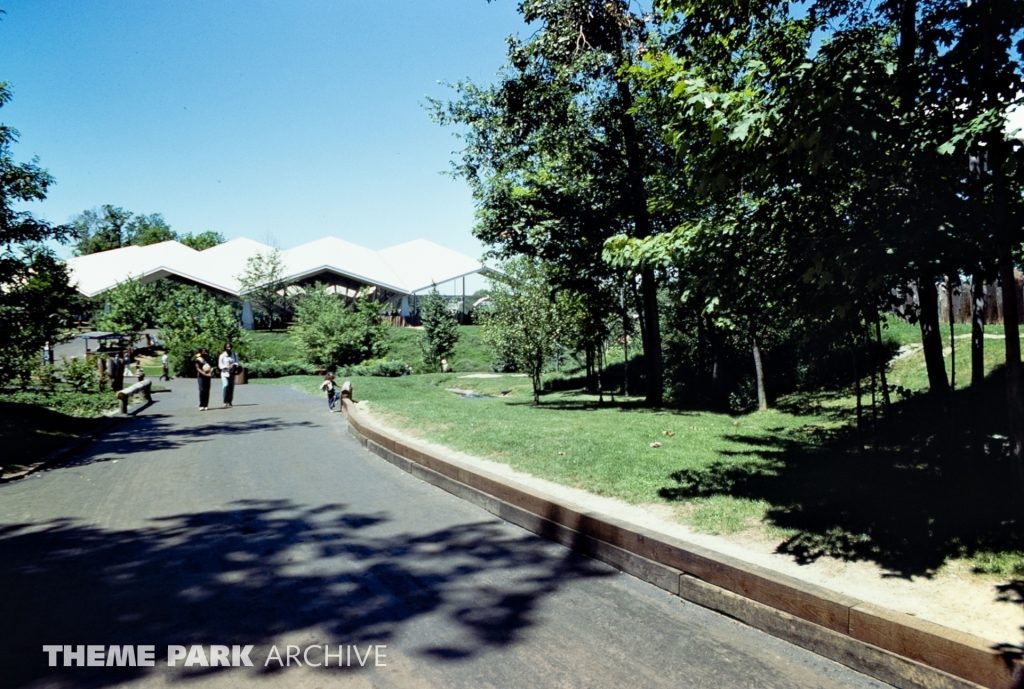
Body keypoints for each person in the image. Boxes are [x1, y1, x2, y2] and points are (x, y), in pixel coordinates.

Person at [219, 342, 240, 408]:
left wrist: (234, 364)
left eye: (230, 347)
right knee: (225, 386)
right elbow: (220, 365)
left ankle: (230, 401)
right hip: (225, 373)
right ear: (225, 348)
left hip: (231, 373)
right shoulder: (222, 356)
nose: (229, 348)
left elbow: (237, 363)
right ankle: (225, 401)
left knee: (231, 387)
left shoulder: (234, 354)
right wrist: (226, 367)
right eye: (227, 347)